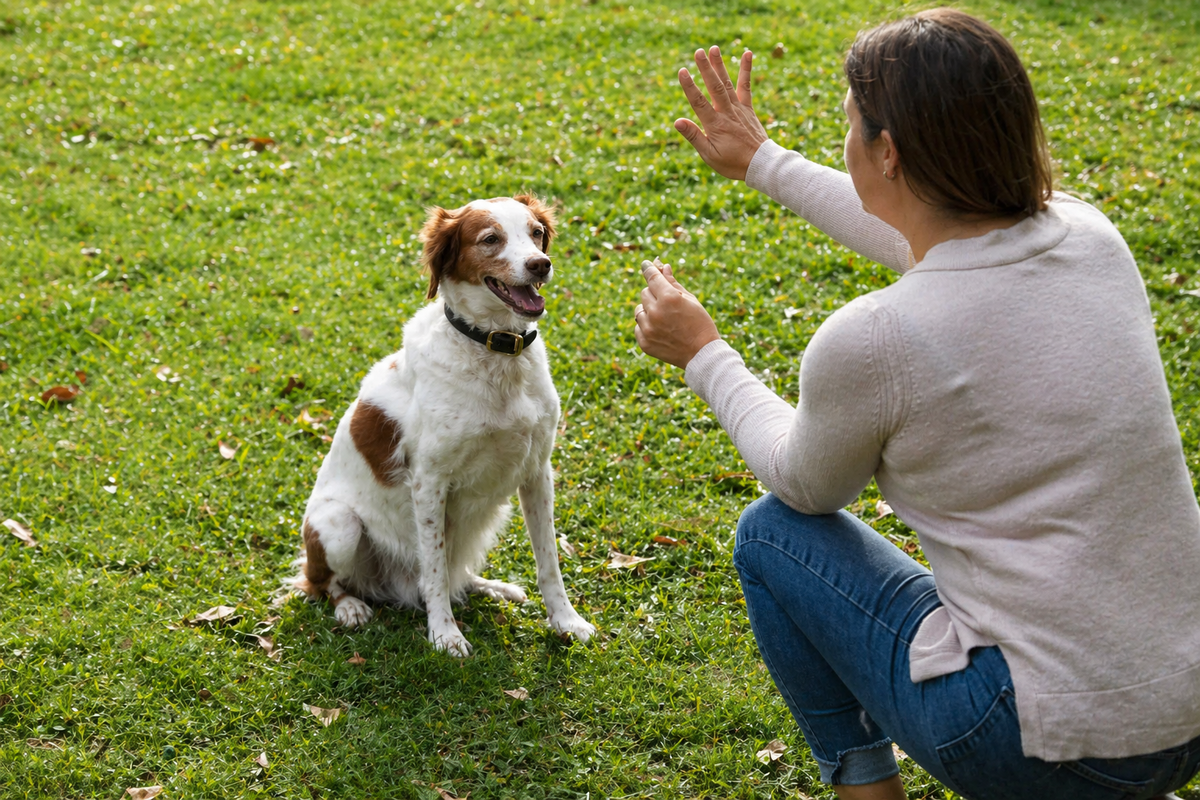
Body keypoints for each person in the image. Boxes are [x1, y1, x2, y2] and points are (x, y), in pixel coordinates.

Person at [632, 9, 1200, 800]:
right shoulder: (1090, 238)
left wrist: (705, 356)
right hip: (1184, 709)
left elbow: (805, 486)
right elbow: (935, 242)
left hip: (1037, 739)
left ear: (887, 152)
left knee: (772, 534)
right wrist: (763, 161)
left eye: (850, 127)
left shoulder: (879, 337)